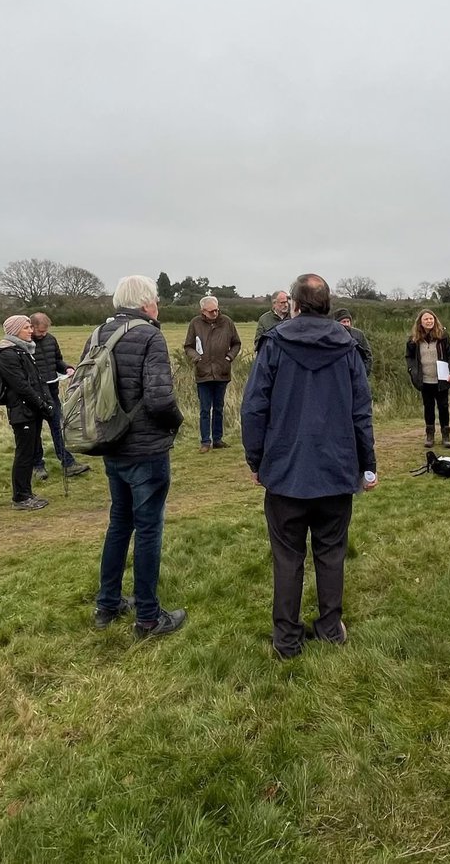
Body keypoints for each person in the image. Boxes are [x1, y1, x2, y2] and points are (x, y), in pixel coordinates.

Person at [242, 274, 377, 659]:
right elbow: (362, 412)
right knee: (330, 552)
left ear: (295, 305)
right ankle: (327, 628)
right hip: (330, 468)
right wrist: (367, 464)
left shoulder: (283, 344)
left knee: (288, 557)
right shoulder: (338, 346)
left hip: (289, 469)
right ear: (326, 304)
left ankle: (289, 636)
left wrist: (256, 459)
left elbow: (253, 408)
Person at [88, 276, 187, 639]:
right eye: (156, 300)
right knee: (148, 529)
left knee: (119, 523)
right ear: (147, 303)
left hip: (110, 443)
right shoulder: (149, 336)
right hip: (145, 449)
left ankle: (108, 603)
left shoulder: (98, 334)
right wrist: (176, 423)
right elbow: (160, 399)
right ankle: (148, 617)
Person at [0, 315, 55, 511]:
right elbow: (21, 386)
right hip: (22, 411)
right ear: (15, 330)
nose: (31, 330)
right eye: (26, 327)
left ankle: (26, 493)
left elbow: (37, 381)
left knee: (30, 452)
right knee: (24, 454)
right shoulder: (7, 354)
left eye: (30, 327)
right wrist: (42, 405)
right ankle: (20, 497)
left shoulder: (23, 350)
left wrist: (47, 403)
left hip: (31, 410)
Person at [28, 312, 90, 479]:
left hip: (52, 393)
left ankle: (68, 463)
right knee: (35, 432)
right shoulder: (24, 343)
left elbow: (57, 361)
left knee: (58, 427)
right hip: (34, 396)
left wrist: (67, 368)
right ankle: (37, 466)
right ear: (32, 327)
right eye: (41, 331)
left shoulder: (51, 340)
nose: (44, 334)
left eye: (46, 330)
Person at [183, 296, 242, 452]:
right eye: (211, 311)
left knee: (218, 408)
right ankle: (205, 441)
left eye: (216, 310)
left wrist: (229, 357)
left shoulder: (227, 322)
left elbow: (236, 343)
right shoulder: (195, 323)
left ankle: (217, 439)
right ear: (203, 311)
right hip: (203, 373)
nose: (215, 313)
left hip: (222, 372)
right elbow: (188, 346)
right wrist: (196, 358)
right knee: (204, 409)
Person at [405, 309, 450, 449]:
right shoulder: (413, 339)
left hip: (441, 379)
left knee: (443, 407)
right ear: (420, 322)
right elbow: (409, 357)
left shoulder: (443, 336)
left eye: (431, 319)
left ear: (435, 320)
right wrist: (412, 370)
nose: (429, 321)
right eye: (426, 319)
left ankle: (446, 435)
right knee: (428, 407)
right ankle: (430, 435)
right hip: (425, 380)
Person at [333, 308, 374, 375]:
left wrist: (364, 373)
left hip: (357, 373)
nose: (346, 324)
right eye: (343, 322)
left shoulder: (359, 334)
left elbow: (368, 355)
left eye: (348, 321)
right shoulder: (332, 336)